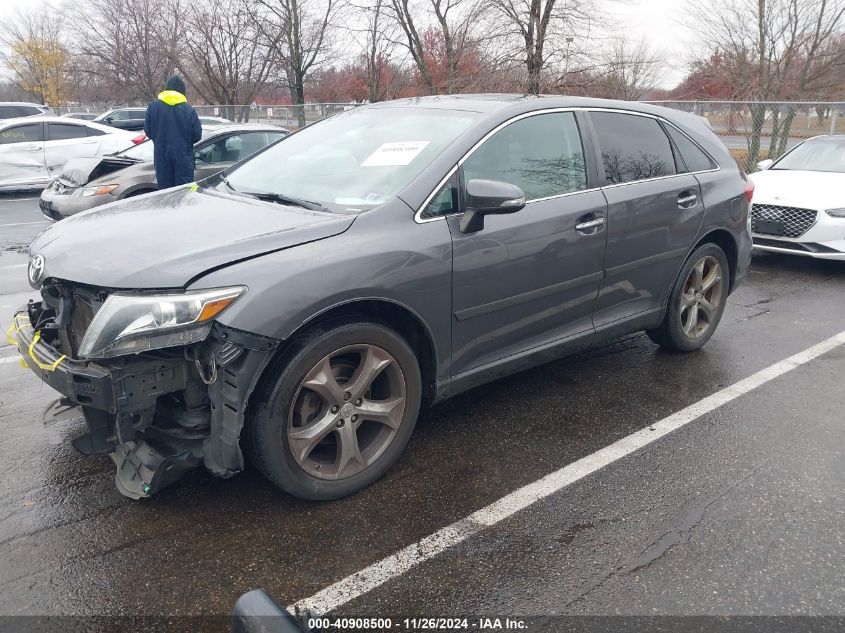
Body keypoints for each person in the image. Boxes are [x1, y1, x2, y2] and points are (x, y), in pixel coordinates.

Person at [144, 76, 202, 189]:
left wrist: (159, 139)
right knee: (183, 193)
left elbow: (148, 131)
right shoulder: (189, 110)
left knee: (165, 194)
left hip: (161, 156)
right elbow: (197, 135)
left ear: (166, 89)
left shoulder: (153, 107)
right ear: (182, 91)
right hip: (183, 158)